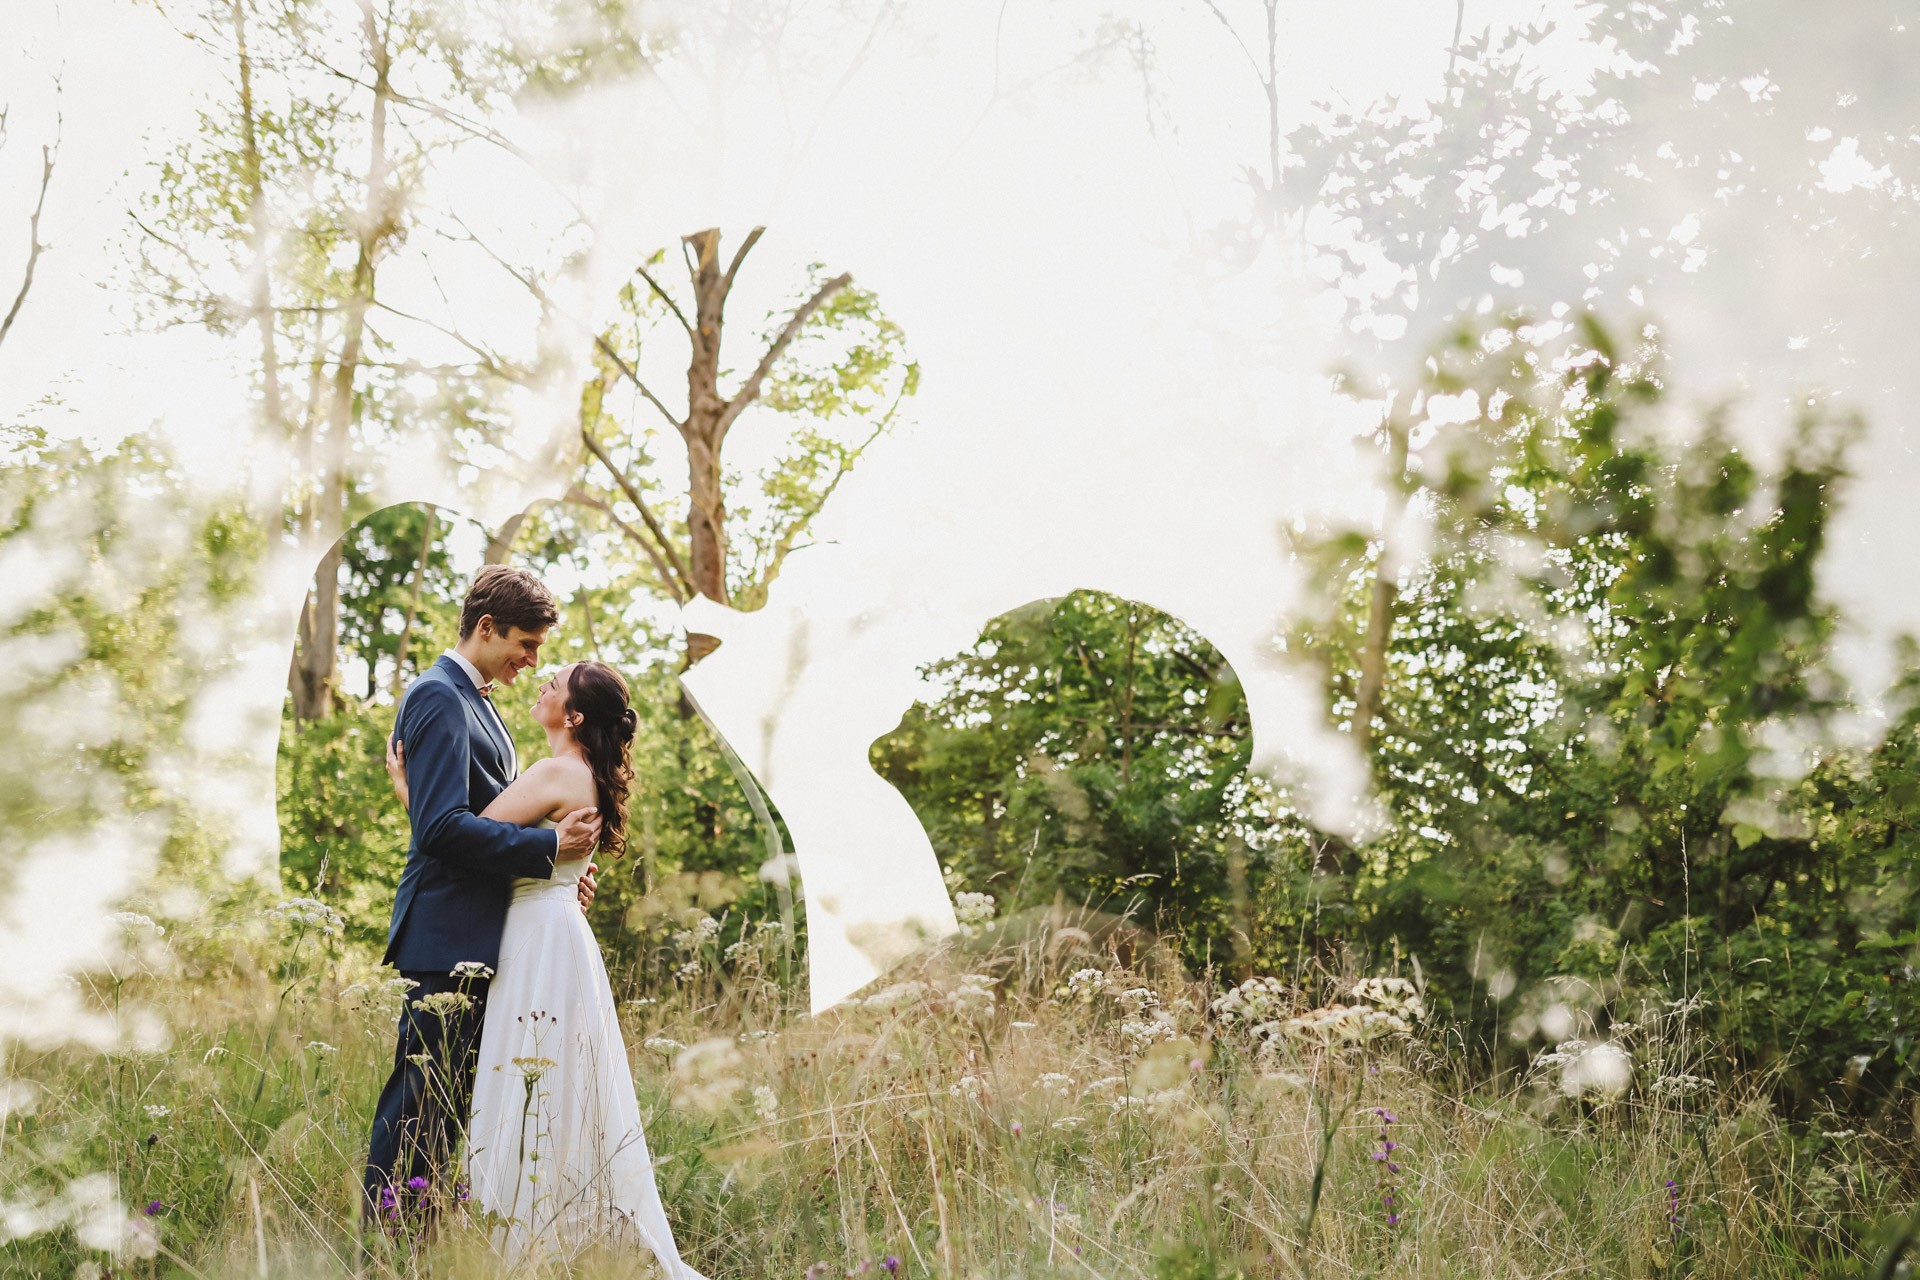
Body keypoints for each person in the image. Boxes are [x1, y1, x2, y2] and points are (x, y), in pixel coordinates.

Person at [387, 660, 707, 1276]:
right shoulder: (584, 774)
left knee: (522, 1084)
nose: (541, 683)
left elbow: (461, 838)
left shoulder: (556, 770)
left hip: (534, 940)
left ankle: (523, 1239)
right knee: (559, 1087)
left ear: (575, 716)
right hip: (560, 932)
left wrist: (410, 792)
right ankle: (563, 1232)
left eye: (554, 684)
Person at [361, 566, 603, 1229]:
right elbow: (440, 829)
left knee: (448, 1116)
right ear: (488, 628)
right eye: (525, 644)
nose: (533, 660)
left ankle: (424, 1251)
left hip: (485, 935)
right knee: (415, 1108)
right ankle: (382, 1258)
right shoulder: (438, 696)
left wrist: (554, 872)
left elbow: (489, 816)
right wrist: (548, 850)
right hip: (445, 933)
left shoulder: (484, 706)